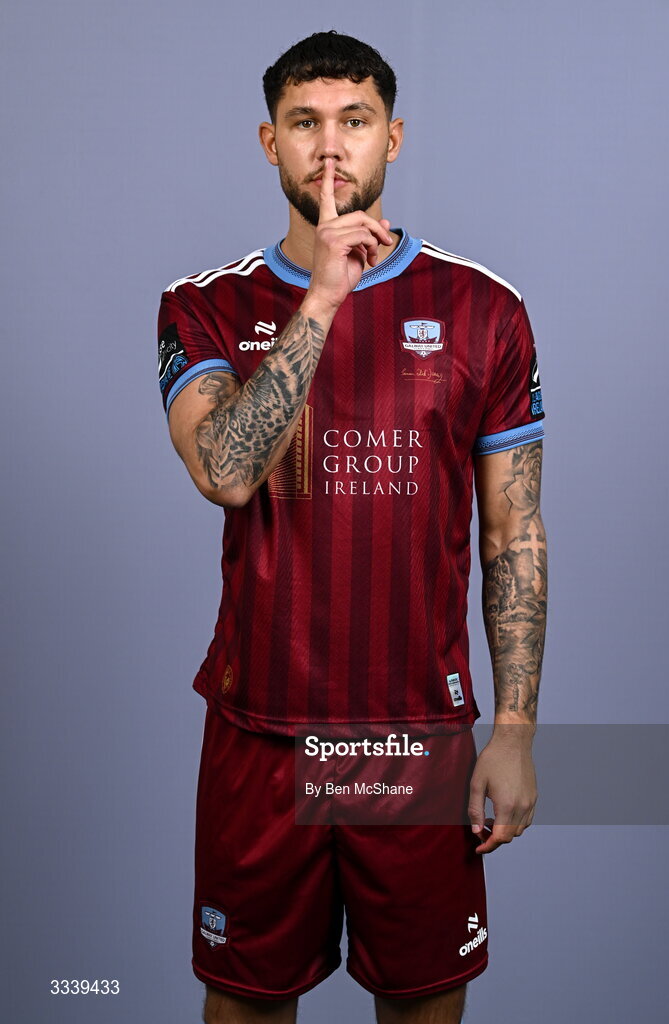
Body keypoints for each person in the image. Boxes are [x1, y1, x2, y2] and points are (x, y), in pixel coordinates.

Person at [157, 30, 547, 1024]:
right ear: (268, 141)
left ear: (394, 137)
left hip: (414, 735)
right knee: (244, 1005)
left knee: (423, 1004)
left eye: (354, 121)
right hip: (261, 729)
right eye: (304, 124)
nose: (330, 149)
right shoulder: (203, 306)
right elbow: (228, 474)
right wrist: (325, 294)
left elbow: (514, 532)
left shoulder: (484, 309)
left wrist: (513, 727)